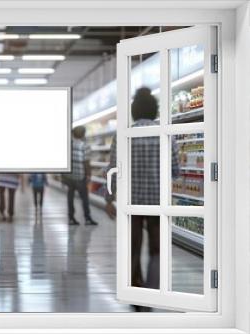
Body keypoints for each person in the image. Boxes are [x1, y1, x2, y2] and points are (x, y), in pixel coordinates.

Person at [105, 87, 179, 311]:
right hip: (158, 202)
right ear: (155, 110)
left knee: (132, 248)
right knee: (157, 249)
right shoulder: (165, 133)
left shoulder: (124, 134)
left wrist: (109, 198)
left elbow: (113, 169)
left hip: (132, 202)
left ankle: (136, 290)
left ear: (134, 111)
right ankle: (152, 292)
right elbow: (175, 170)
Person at [63, 126, 97, 226]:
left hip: (69, 176)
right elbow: (86, 162)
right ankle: (87, 218)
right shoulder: (85, 145)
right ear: (83, 134)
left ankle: (71, 218)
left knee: (70, 197)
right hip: (80, 176)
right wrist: (89, 175)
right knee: (84, 198)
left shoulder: (68, 144)